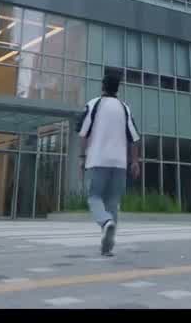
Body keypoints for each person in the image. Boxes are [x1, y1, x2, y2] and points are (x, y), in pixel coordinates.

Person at [77, 70, 141, 257]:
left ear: (102, 86)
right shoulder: (124, 107)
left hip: (98, 160)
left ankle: (105, 222)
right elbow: (134, 138)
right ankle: (107, 247)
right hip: (119, 163)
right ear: (117, 89)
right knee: (113, 202)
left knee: (94, 197)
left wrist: (81, 158)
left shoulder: (93, 104)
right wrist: (135, 162)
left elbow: (83, 133)